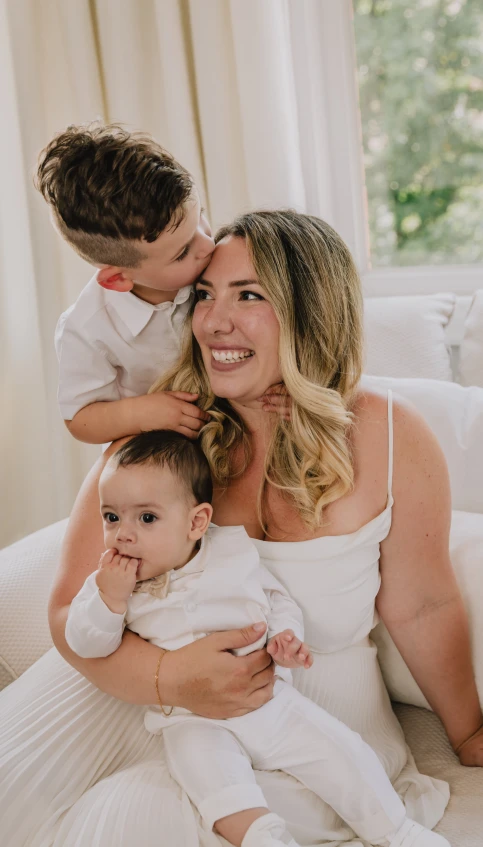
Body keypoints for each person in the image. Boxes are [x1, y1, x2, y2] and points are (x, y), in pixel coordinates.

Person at [1, 210, 482, 847]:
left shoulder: (388, 434)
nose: (213, 321)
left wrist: (468, 733)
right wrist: (169, 679)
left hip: (316, 732)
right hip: (145, 712)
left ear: (311, 309)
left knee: (143, 818)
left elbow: (423, 604)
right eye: (203, 295)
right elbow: (67, 609)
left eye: (248, 295)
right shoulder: (156, 440)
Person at [65, 429, 448, 847]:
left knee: (339, 751)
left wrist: (286, 637)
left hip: (267, 701)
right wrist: (110, 600)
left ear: (197, 522)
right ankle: (262, 836)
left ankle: (395, 830)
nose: (123, 534)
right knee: (213, 783)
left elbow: (274, 598)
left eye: (147, 518)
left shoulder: (231, 553)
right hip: (190, 717)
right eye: (111, 517)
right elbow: (87, 644)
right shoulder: (111, 582)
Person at [35, 123, 214, 445]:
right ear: (117, 279)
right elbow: (80, 419)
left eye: (201, 217)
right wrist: (141, 413)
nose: (208, 246)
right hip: (174, 448)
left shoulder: (223, 261)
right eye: (183, 252)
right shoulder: (89, 327)